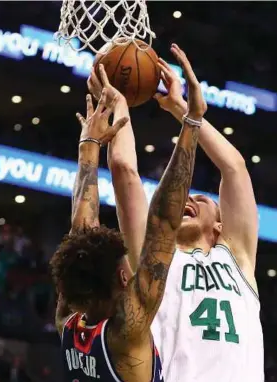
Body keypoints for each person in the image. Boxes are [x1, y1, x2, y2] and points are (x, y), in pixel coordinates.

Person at [92, 45, 263, 382]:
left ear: (219, 226)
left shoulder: (238, 258)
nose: (190, 197)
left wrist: (184, 110)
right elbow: (124, 170)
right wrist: (120, 106)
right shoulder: (153, 256)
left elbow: (235, 169)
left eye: (202, 198)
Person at [50, 68, 206, 382]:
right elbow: (162, 222)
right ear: (124, 277)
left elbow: (82, 234)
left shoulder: (70, 321)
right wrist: (191, 120)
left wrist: (91, 145)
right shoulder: (124, 332)